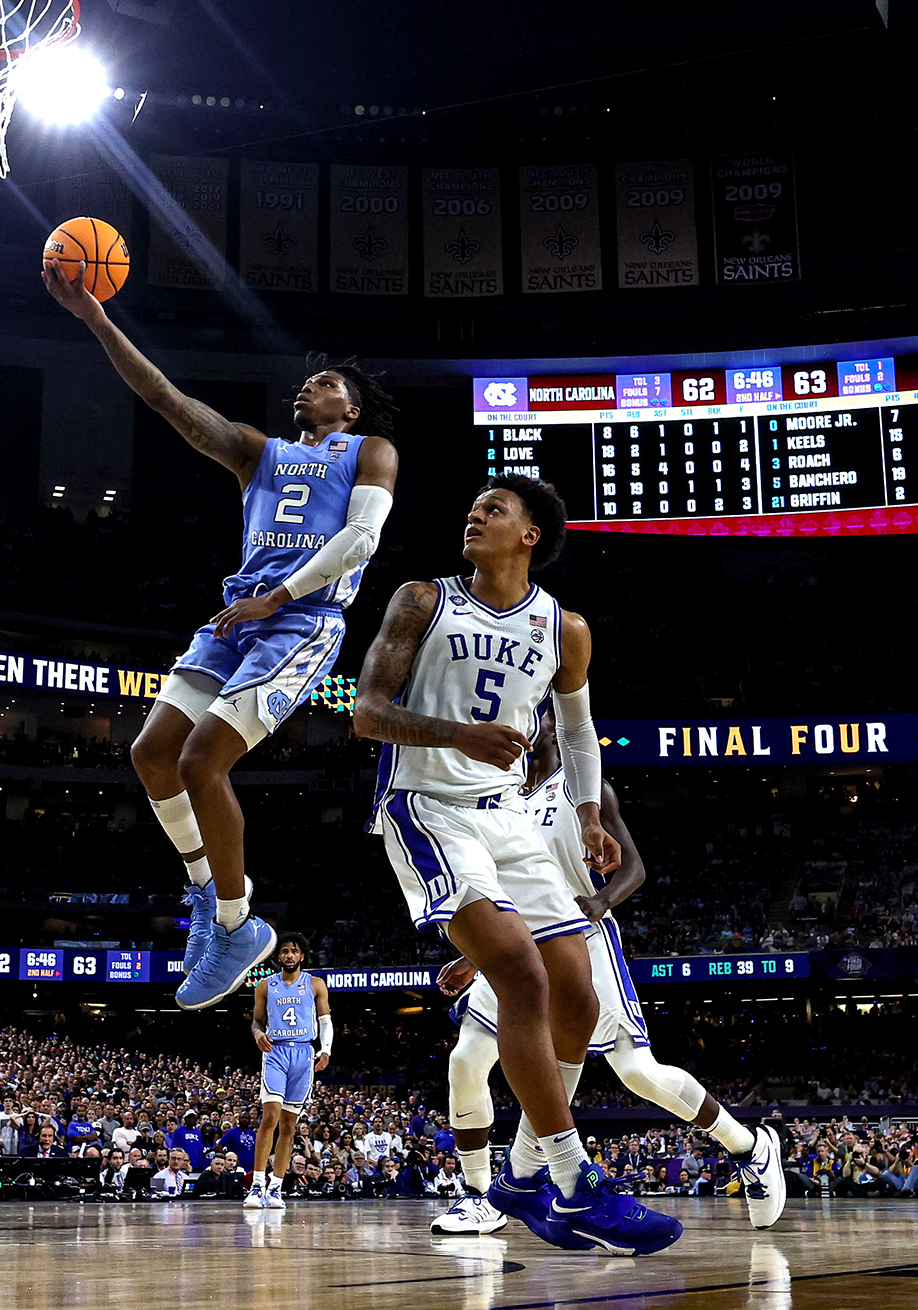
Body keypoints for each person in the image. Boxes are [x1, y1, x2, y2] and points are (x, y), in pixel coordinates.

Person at [45, 268, 399, 1011]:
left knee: (204, 758)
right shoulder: (255, 450)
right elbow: (166, 399)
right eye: (306, 384)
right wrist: (95, 319)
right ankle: (208, 893)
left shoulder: (370, 450)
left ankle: (239, 926)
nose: (309, 387)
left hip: (301, 621)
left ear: (351, 405)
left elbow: (362, 538)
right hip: (236, 618)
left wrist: (278, 593)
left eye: (326, 381)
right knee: (150, 754)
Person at [350, 476, 680, 1256]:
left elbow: (581, 731)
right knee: (523, 975)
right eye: (472, 507)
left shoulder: (563, 627)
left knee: (577, 985)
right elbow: (366, 713)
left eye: (494, 509)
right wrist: (456, 736)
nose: (474, 514)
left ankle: (527, 1172)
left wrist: (592, 815)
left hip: (507, 820)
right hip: (428, 806)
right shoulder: (423, 600)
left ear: (531, 533)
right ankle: (571, 1178)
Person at [432, 730, 783, 1237]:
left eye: (539, 713)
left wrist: (599, 903)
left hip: (580, 937)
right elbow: (504, 886)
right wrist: (472, 956)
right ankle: (482, 1195)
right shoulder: (501, 794)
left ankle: (748, 1147)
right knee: (466, 1058)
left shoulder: (585, 789)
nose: (528, 722)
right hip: (516, 942)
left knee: (637, 1072)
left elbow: (634, 868)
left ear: (553, 727)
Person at [245, 934, 331, 1209]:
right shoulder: (265, 985)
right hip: (275, 1052)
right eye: (284, 952)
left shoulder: (315, 984)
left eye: (294, 951)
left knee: (289, 1125)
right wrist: (258, 1033)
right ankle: (257, 1185)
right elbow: (257, 1022)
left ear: (302, 955)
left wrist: (325, 1049)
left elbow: (325, 1020)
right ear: (278, 957)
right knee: (270, 1116)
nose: (289, 955)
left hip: (304, 1053)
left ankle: (276, 1188)